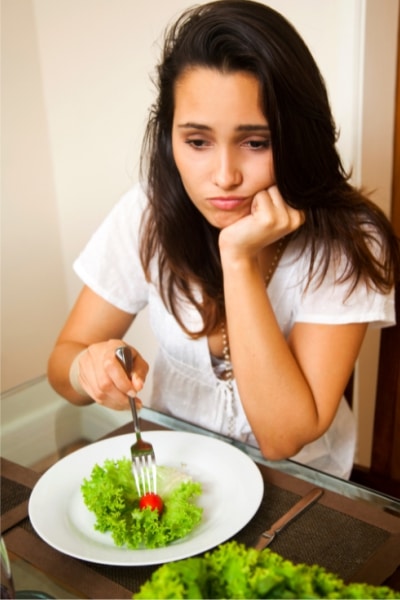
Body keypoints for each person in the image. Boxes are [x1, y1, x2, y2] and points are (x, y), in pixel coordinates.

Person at [48, 0, 400, 479]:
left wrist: (238, 258)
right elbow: (64, 360)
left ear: (296, 137)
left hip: (301, 489)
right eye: (197, 142)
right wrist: (89, 367)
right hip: (178, 474)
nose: (224, 176)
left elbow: (283, 437)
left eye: (256, 142)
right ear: (168, 138)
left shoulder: (348, 241)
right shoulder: (148, 211)